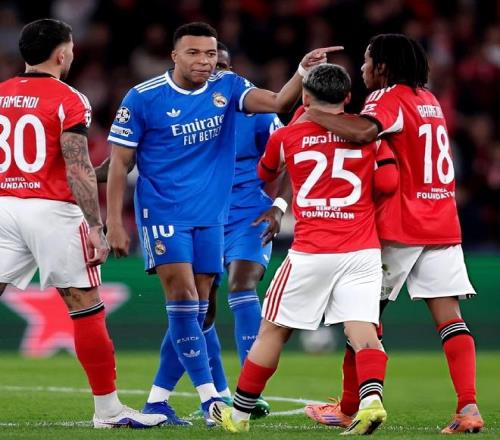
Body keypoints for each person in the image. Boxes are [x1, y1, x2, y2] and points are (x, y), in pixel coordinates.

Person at [105, 21, 342, 423]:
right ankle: (213, 398)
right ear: (174, 56)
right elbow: (118, 163)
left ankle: (160, 400)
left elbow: (279, 102)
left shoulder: (229, 90)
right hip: (164, 212)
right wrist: (113, 221)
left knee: (200, 309)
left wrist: (303, 70)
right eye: (194, 53)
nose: (205, 61)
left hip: (214, 215)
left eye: (211, 54)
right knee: (184, 299)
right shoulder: (143, 97)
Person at [303, 34, 484, 434]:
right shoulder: (429, 100)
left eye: (367, 61)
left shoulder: (387, 97)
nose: (363, 69)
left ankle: (350, 407)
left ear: (382, 67)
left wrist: (313, 113)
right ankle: (468, 407)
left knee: (362, 317)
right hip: (441, 221)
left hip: (400, 224)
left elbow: (364, 133)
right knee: (450, 319)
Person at [0, 19, 166, 429]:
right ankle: (108, 411)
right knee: (85, 305)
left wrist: (107, 169)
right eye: (71, 49)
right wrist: (96, 225)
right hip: (53, 211)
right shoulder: (69, 98)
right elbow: (75, 167)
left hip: (4, 205)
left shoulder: (2, 93)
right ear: (62, 54)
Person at [210, 63, 389, 435]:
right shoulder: (368, 133)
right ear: (347, 97)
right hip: (361, 249)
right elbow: (388, 181)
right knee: (362, 330)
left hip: (311, 251)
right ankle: (371, 400)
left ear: (305, 97)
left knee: (272, 331)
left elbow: (265, 173)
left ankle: (238, 415)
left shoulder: (287, 135)